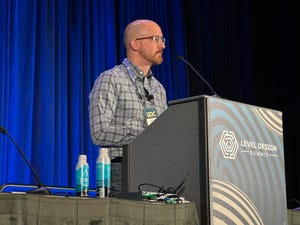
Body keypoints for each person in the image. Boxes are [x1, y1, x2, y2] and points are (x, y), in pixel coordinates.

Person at [88, 19, 168, 195]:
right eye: (156, 39)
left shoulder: (158, 89)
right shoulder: (110, 79)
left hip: (155, 171)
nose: (162, 45)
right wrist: (143, 135)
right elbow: (99, 132)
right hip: (121, 170)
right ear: (135, 44)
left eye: (163, 39)